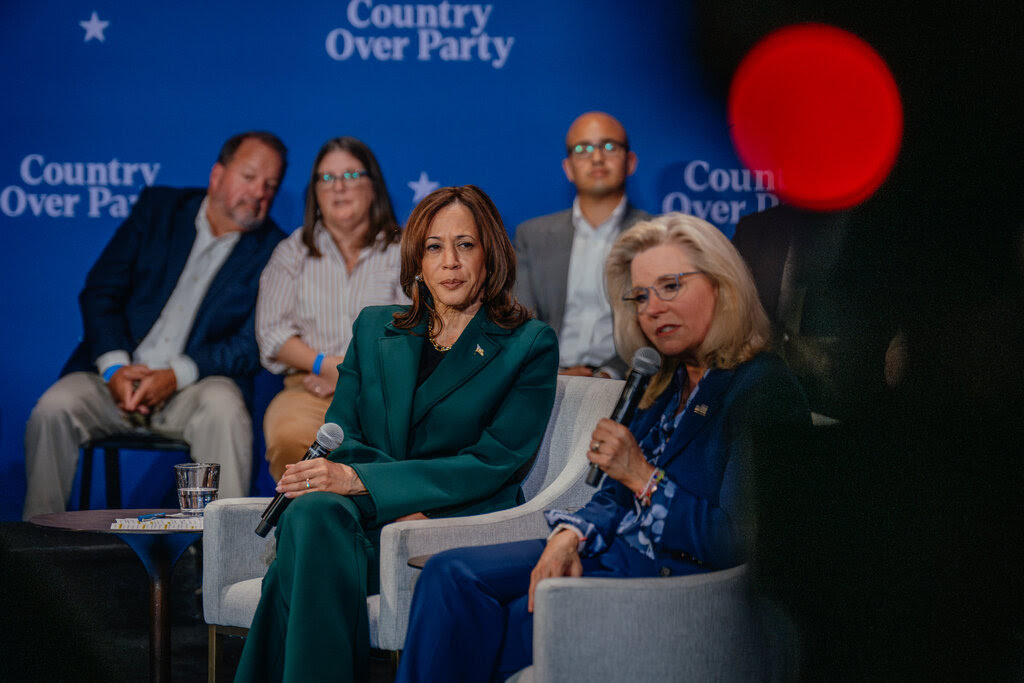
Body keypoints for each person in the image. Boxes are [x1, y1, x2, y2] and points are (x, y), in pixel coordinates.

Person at [395, 212, 810, 682]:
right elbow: (610, 498)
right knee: (449, 574)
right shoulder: (661, 379)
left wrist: (641, 476)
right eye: (641, 296)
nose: (652, 308)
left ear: (723, 285)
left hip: (675, 581)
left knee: (506, 621)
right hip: (608, 549)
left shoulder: (762, 388)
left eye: (670, 287)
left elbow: (743, 543)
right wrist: (567, 537)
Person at [234, 185, 560, 682]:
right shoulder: (374, 327)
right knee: (315, 512)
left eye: (465, 245)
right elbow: (343, 436)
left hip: (445, 524)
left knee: (307, 534)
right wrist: (376, 493)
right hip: (367, 520)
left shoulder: (527, 343)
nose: (450, 261)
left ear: (490, 254)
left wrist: (364, 484)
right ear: (416, 262)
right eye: (434, 247)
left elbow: (493, 462)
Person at [22, 131, 288, 519]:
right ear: (217, 176)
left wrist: (174, 376)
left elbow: (250, 344)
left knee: (225, 410)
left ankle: (223, 561)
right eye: (249, 177)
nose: (259, 192)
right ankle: (38, 552)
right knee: (53, 409)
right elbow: (100, 292)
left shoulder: (275, 249)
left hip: (195, 387)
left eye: (271, 185)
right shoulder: (159, 210)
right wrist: (114, 368)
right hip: (113, 379)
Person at [256, 136, 408, 481]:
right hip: (310, 388)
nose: (338, 187)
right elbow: (271, 333)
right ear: (315, 192)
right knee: (288, 437)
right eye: (327, 178)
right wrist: (324, 365)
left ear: (374, 186)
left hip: (386, 390)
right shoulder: (292, 251)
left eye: (351, 176)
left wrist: (354, 373)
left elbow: (420, 329)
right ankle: (310, 529)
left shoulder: (404, 249)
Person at [514, 111, 650, 379]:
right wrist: (555, 372)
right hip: (545, 380)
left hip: (626, 382)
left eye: (609, 146)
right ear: (568, 168)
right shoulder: (532, 235)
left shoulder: (656, 236)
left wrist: (608, 374)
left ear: (630, 162)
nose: (597, 157)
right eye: (583, 149)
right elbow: (520, 323)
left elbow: (657, 324)